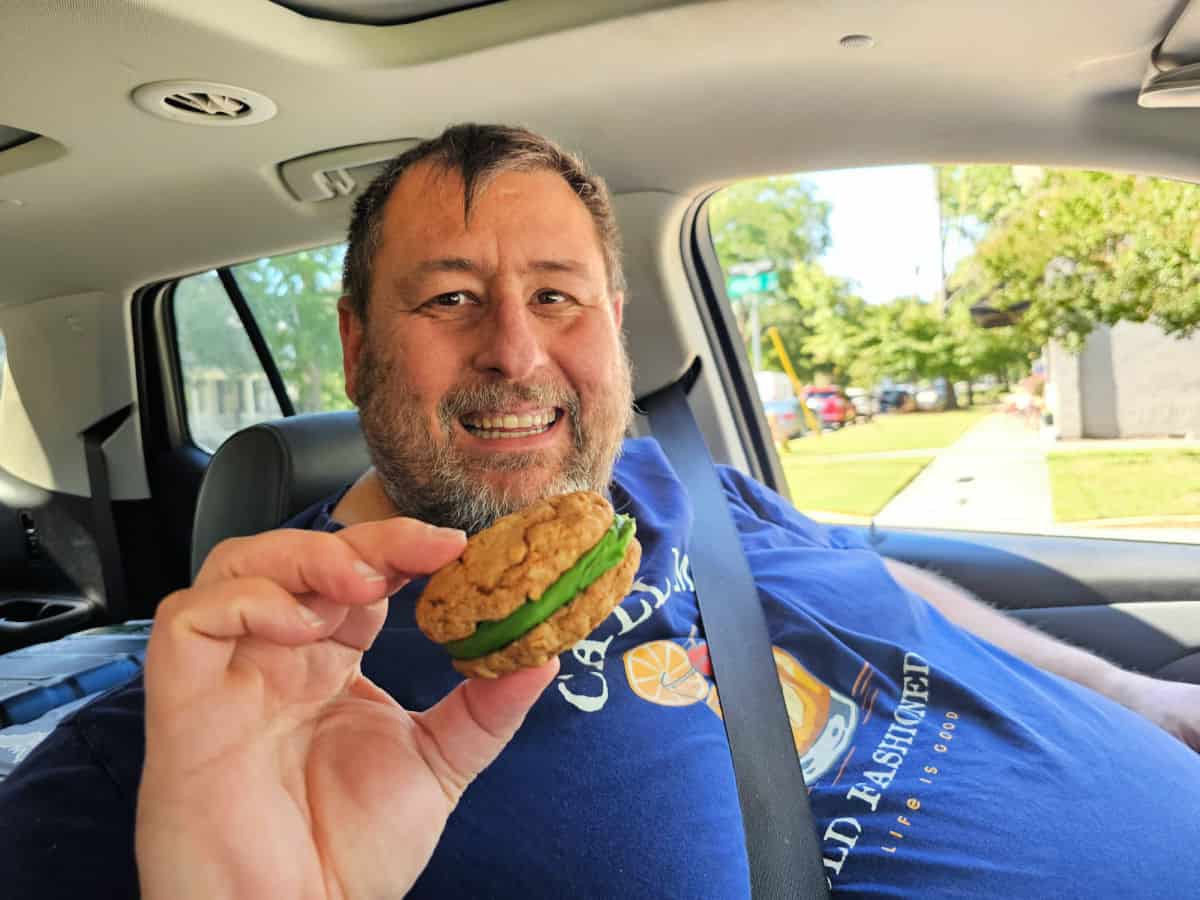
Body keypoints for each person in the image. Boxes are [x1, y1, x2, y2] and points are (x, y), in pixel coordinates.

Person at [1, 123, 1199, 899]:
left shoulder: (684, 485)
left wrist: (1148, 699)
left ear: (616, 328)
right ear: (358, 344)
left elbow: (883, 588)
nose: (517, 351)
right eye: (452, 298)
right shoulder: (193, 744)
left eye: (559, 296)